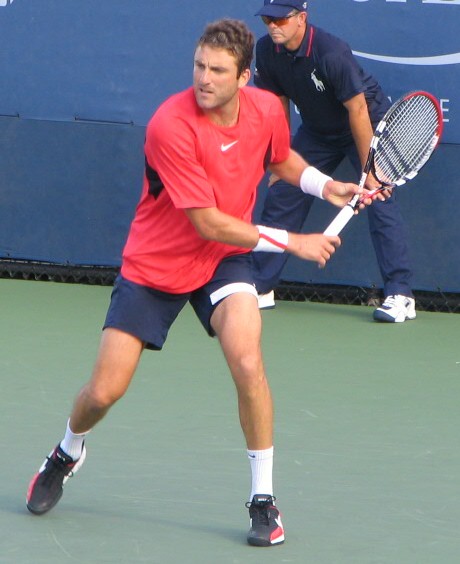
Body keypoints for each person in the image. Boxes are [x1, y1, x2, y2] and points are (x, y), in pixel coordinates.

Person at [25, 19, 369, 547]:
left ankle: (263, 500)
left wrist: (327, 187)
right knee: (103, 391)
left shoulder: (267, 111)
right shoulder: (171, 124)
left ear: (245, 77)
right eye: (198, 66)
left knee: (249, 362)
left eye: (217, 70)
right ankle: (67, 451)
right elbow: (206, 221)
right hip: (155, 265)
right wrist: (293, 242)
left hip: (223, 262)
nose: (203, 79)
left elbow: (279, 161)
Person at [253, 0, 416, 323]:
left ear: (302, 18)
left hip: (364, 122)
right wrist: (280, 158)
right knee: (284, 193)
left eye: (281, 20)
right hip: (317, 132)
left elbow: (356, 110)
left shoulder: (330, 52)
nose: (273, 26)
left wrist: (370, 167)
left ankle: (401, 294)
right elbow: (276, 105)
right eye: (268, 19)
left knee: (378, 197)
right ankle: (260, 284)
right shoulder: (266, 51)